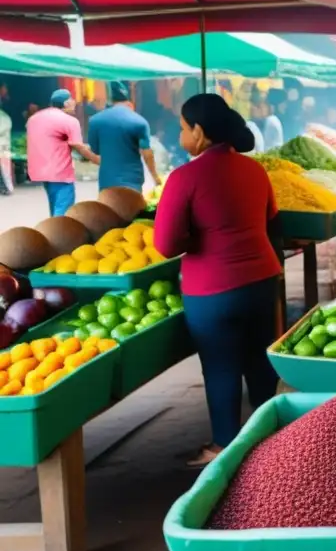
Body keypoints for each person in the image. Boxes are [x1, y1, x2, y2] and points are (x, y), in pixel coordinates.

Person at [153, 94, 282, 467]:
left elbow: (165, 244)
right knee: (260, 363)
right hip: (262, 281)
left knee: (221, 367)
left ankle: (224, 446)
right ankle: (273, 442)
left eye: (182, 128)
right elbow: (270, 217)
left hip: (213, 290)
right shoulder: (255, 170)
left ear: (199, 131)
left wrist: (196, 237)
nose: (180, 136)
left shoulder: (184, 177)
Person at [27, 89, 100, 216]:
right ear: (66, 103)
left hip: (39, 171)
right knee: (63, 210)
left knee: (54, 205)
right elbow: (78, 146)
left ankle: (53, 228)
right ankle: (59, 229)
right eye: (72, 99)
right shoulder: (69, 121)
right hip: (60, 172)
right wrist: (98, 160)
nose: (74, 102)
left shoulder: (34, 118)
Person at [88, 81, 162, 192]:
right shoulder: (140, 121)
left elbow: (95, 150)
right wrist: (155, 177)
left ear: (109, 99)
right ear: (129, 99)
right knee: (132, 203)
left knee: (109, 203)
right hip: (133, 181)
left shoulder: (95, 121)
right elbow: (147, 153)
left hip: (107, 181)